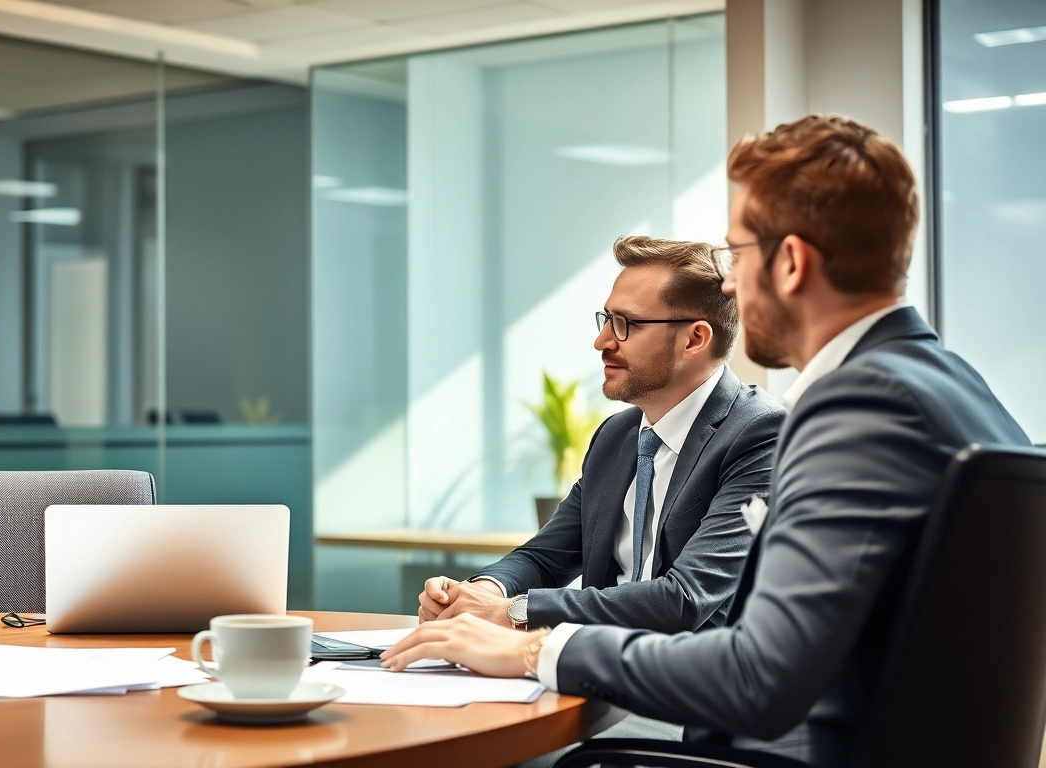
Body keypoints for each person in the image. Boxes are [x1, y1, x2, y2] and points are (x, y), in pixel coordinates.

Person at [381, 114, 1031, 767]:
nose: (728, 284)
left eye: (739, 254)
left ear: (792, 262)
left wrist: (530, 646)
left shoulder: (862, 406)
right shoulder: (948, 387)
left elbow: (757, 675)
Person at [417, 236, 785, 638]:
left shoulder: (760, 434)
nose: (603, 341)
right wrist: (479, 593)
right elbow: (544, 558)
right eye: (606, 319)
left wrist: (514, 610)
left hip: (691, 685)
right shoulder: (618, 435)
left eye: (626, 323)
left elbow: (684, 600)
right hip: (596, 670)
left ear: (694, 339)